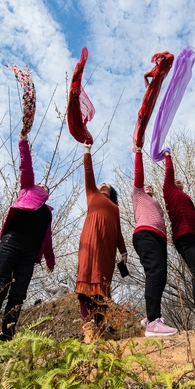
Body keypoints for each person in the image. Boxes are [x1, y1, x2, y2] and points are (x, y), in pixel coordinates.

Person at [0, 130, 55, 347]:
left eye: (47, 188)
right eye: (42, 185)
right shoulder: (28, 190)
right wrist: (23, 141)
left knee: (19, 294)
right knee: (0, 285)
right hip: (12, 241)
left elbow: (46, 237)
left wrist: (50, 260)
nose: (44, 188)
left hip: (30, 253)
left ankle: (8, 336)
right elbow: (26, 166)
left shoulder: (47, 211)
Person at [75, 142, 128, 343]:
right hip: (90, 240)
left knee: (102, 289)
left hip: (108, 249)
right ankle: (88, 327)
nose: (103, 184)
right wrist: (87, 151)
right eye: (101, 183)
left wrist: (123, 252)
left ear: (112, 191)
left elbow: (119, 232)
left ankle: (101, 328)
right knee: (85, 282)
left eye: (107, 184)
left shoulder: (115, 208)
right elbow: (88, 172)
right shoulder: (92, 194)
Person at [162, 151, 195, 329]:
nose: (177, 181)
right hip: (183, 236)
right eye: (174, 181)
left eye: (180, 182)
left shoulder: (184, 196)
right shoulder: (169, 192)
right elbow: (169, 175)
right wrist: (168, 156)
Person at [133, 146, 178, 337]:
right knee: (155, 272)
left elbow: (169, 182)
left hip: (159, 238)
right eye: (145, 186)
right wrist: (138, 152)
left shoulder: (155, 202)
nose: (147, 187)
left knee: (160, 276)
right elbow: (139, 175)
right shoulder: (138, 195)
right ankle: (153, 320)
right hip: (145, 234)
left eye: (150, 187)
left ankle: (148, 318)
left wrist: (168, 158)